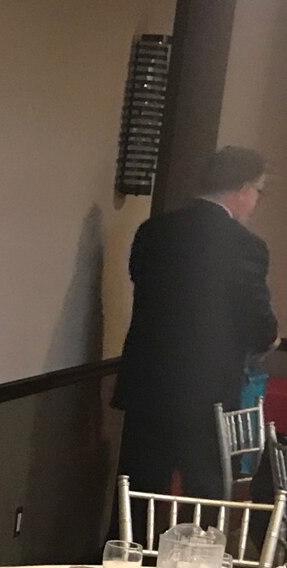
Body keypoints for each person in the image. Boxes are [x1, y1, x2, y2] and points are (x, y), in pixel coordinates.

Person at [113, 146, 277, 500]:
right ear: (243, 188)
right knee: (205, 496)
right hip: (208, 393)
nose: (255, 202)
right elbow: (257, 324)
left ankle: (128, 552)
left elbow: (140, 283)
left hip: (148, 385)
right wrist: (272, 337)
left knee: (138, 493)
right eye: (258, 192)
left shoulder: (153, 231)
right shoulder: (245, 246)